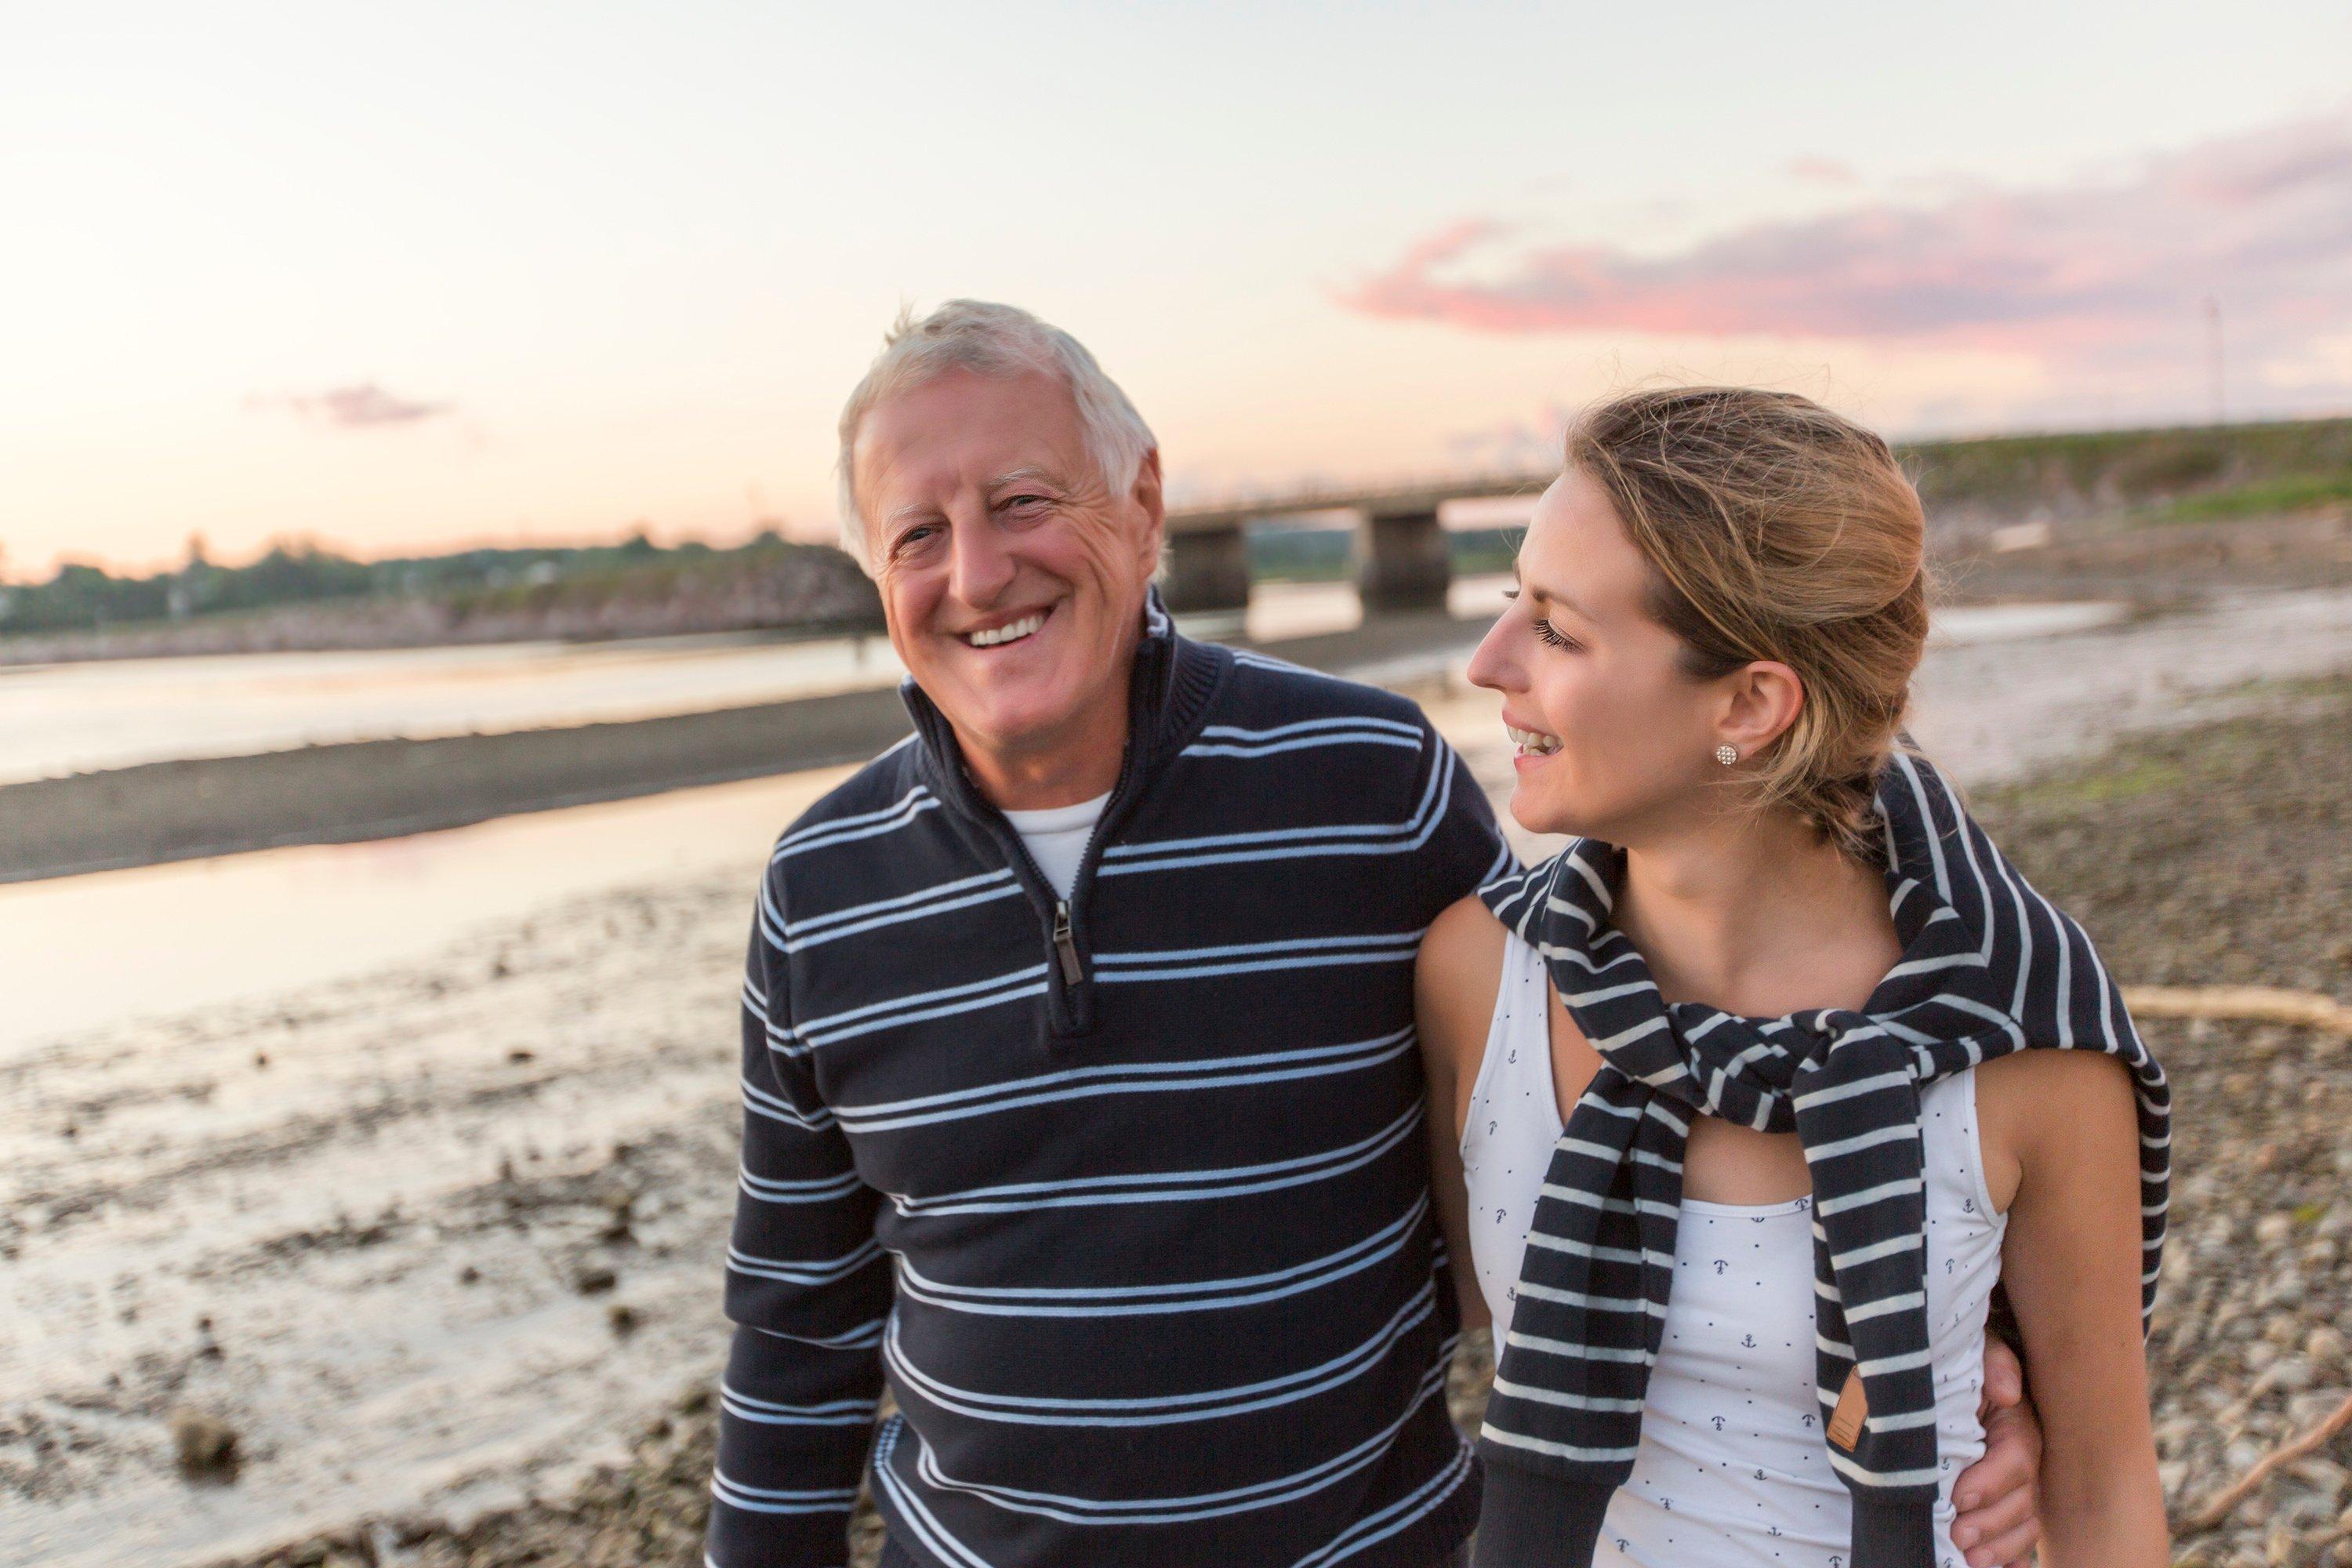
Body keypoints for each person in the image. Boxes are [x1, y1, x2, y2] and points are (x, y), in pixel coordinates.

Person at [704, 303, 2043, 1568]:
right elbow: (795, 1327)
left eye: (1022, 503)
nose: (978, 572)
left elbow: (1649, 1025)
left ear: (1144, 500)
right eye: (917, 535)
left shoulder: (1369, 780)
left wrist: (1961, 1345)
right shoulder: (823, 888)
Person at [1414, 387, 2171, 1568]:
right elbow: (1427, 1324)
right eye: (1516, 600)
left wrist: (2010, 1394)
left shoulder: (2017, 1030)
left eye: (1556, 630)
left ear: (1751, 702)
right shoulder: (1480, 975)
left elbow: (2105, 1492)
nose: (1485, 661)